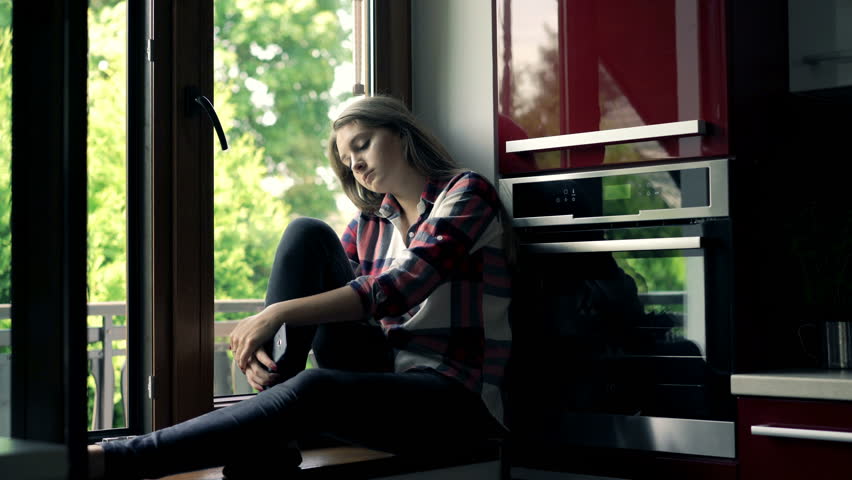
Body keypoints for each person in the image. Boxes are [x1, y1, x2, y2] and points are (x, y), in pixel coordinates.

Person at [87, 95, 513, 479]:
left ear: (401, 135)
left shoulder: (466, 192)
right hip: (382, 378)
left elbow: (397, 289)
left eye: (362, 145)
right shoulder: (368, 225)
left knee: (315, 388)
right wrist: (268, 346)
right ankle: (270, 427)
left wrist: (274, 315)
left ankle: (122, 458)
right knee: (306, 233)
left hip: (454, 399)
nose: (357, 166)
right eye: (348, 162)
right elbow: (327, 300)